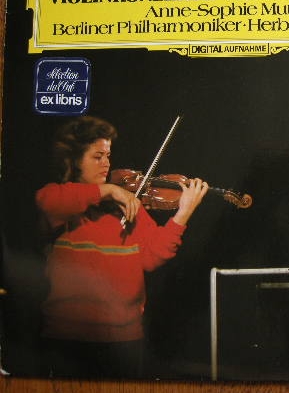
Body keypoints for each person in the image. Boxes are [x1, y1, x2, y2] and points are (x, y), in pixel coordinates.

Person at [35, 116, 208, 378]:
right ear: (74, 160)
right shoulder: (62, 201)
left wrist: (182, 214)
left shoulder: (127, 206)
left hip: (123, 339)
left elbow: (151, 257)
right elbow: (47, 201)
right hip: (67, 338)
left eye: (108, 155)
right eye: (97, 156)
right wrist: (109, 191)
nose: (107, 163)